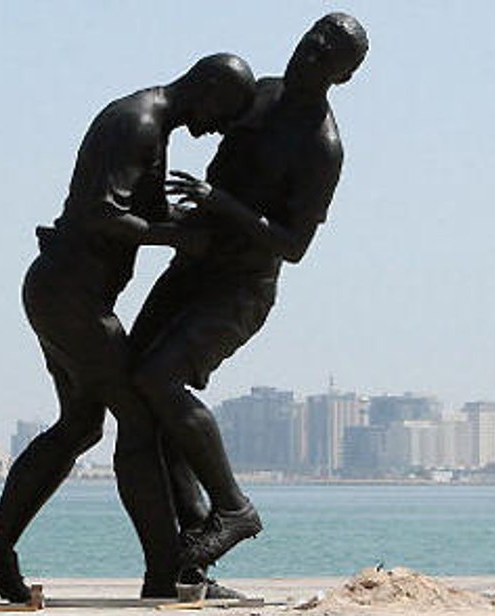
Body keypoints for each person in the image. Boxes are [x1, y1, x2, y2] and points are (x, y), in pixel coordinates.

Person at [0, 54, 257, 602]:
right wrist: (178, 239)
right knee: (140, 417)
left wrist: (203, 219)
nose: (220, 127)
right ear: (209, 86)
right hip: (70, 297)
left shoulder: (154, 126)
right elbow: (98, 213)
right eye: (226, 112)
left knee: (79, 427)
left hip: (66, 293)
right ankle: (167, 572)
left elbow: (136, 210)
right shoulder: (138, 123)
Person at [129, 13, 369, 574]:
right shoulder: (259, 91)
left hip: (240, 287)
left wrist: (221, 203)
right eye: (312, 37)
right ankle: (187, 560)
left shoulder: (321, 146)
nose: (310, 51)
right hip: (194, 264)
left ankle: (233, 508)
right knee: (140, 392)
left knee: (157, 379)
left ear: (343, 76)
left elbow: (293, 245)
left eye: (326, 52)